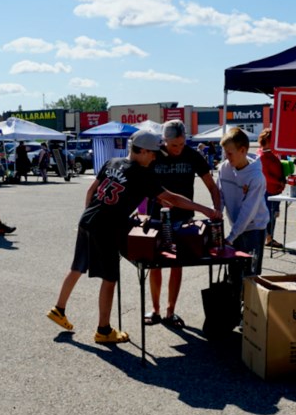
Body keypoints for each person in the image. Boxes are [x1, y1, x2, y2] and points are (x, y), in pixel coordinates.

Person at [46, 130, 221, 343]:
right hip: (107, 228)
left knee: (76, 268)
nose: (156, 157)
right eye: (154, 153)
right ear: (143, 151)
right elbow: (171, 198)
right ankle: (103, 330)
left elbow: (92, 190)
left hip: (88, 220)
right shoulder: (141, 174)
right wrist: (203, 208)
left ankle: (59, 309)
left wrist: (91, 215)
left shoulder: (113, 162)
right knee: (109, 279)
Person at [146, 119, 221, 328]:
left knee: (177, 265)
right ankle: (155, 310)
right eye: (173, 145)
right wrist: (155, 198)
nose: (178, 149)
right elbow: (143, 184)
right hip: (156, 217)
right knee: (155, 265)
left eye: (181, 144)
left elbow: (212, 187)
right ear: (164, 141)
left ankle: (170, 311)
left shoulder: (193, 155)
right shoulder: (154, 154)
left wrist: (217, 211)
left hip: (183, 220)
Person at [219, 128, 270, 274]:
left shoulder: (256, 177)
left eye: (230, 153)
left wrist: (231, 238)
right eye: (225, 153)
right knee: (234, 273)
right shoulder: (224, 169)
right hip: (237, 227)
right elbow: (220, 195)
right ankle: (233, 297)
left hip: (254, 229)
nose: (226, 157)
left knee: (249, 276)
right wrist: (216, 214)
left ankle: (249, 297)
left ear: (242, 150)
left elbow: (248, 211)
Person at [257, 128, 285, 249]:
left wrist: (282, 180)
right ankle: (267, 237)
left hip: (275, 189)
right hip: (269, 190)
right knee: (269, 215)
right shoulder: (262, 155)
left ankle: (269, 237)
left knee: (273, 215)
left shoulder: (271, 153)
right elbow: (265, 176)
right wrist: (280, 182)